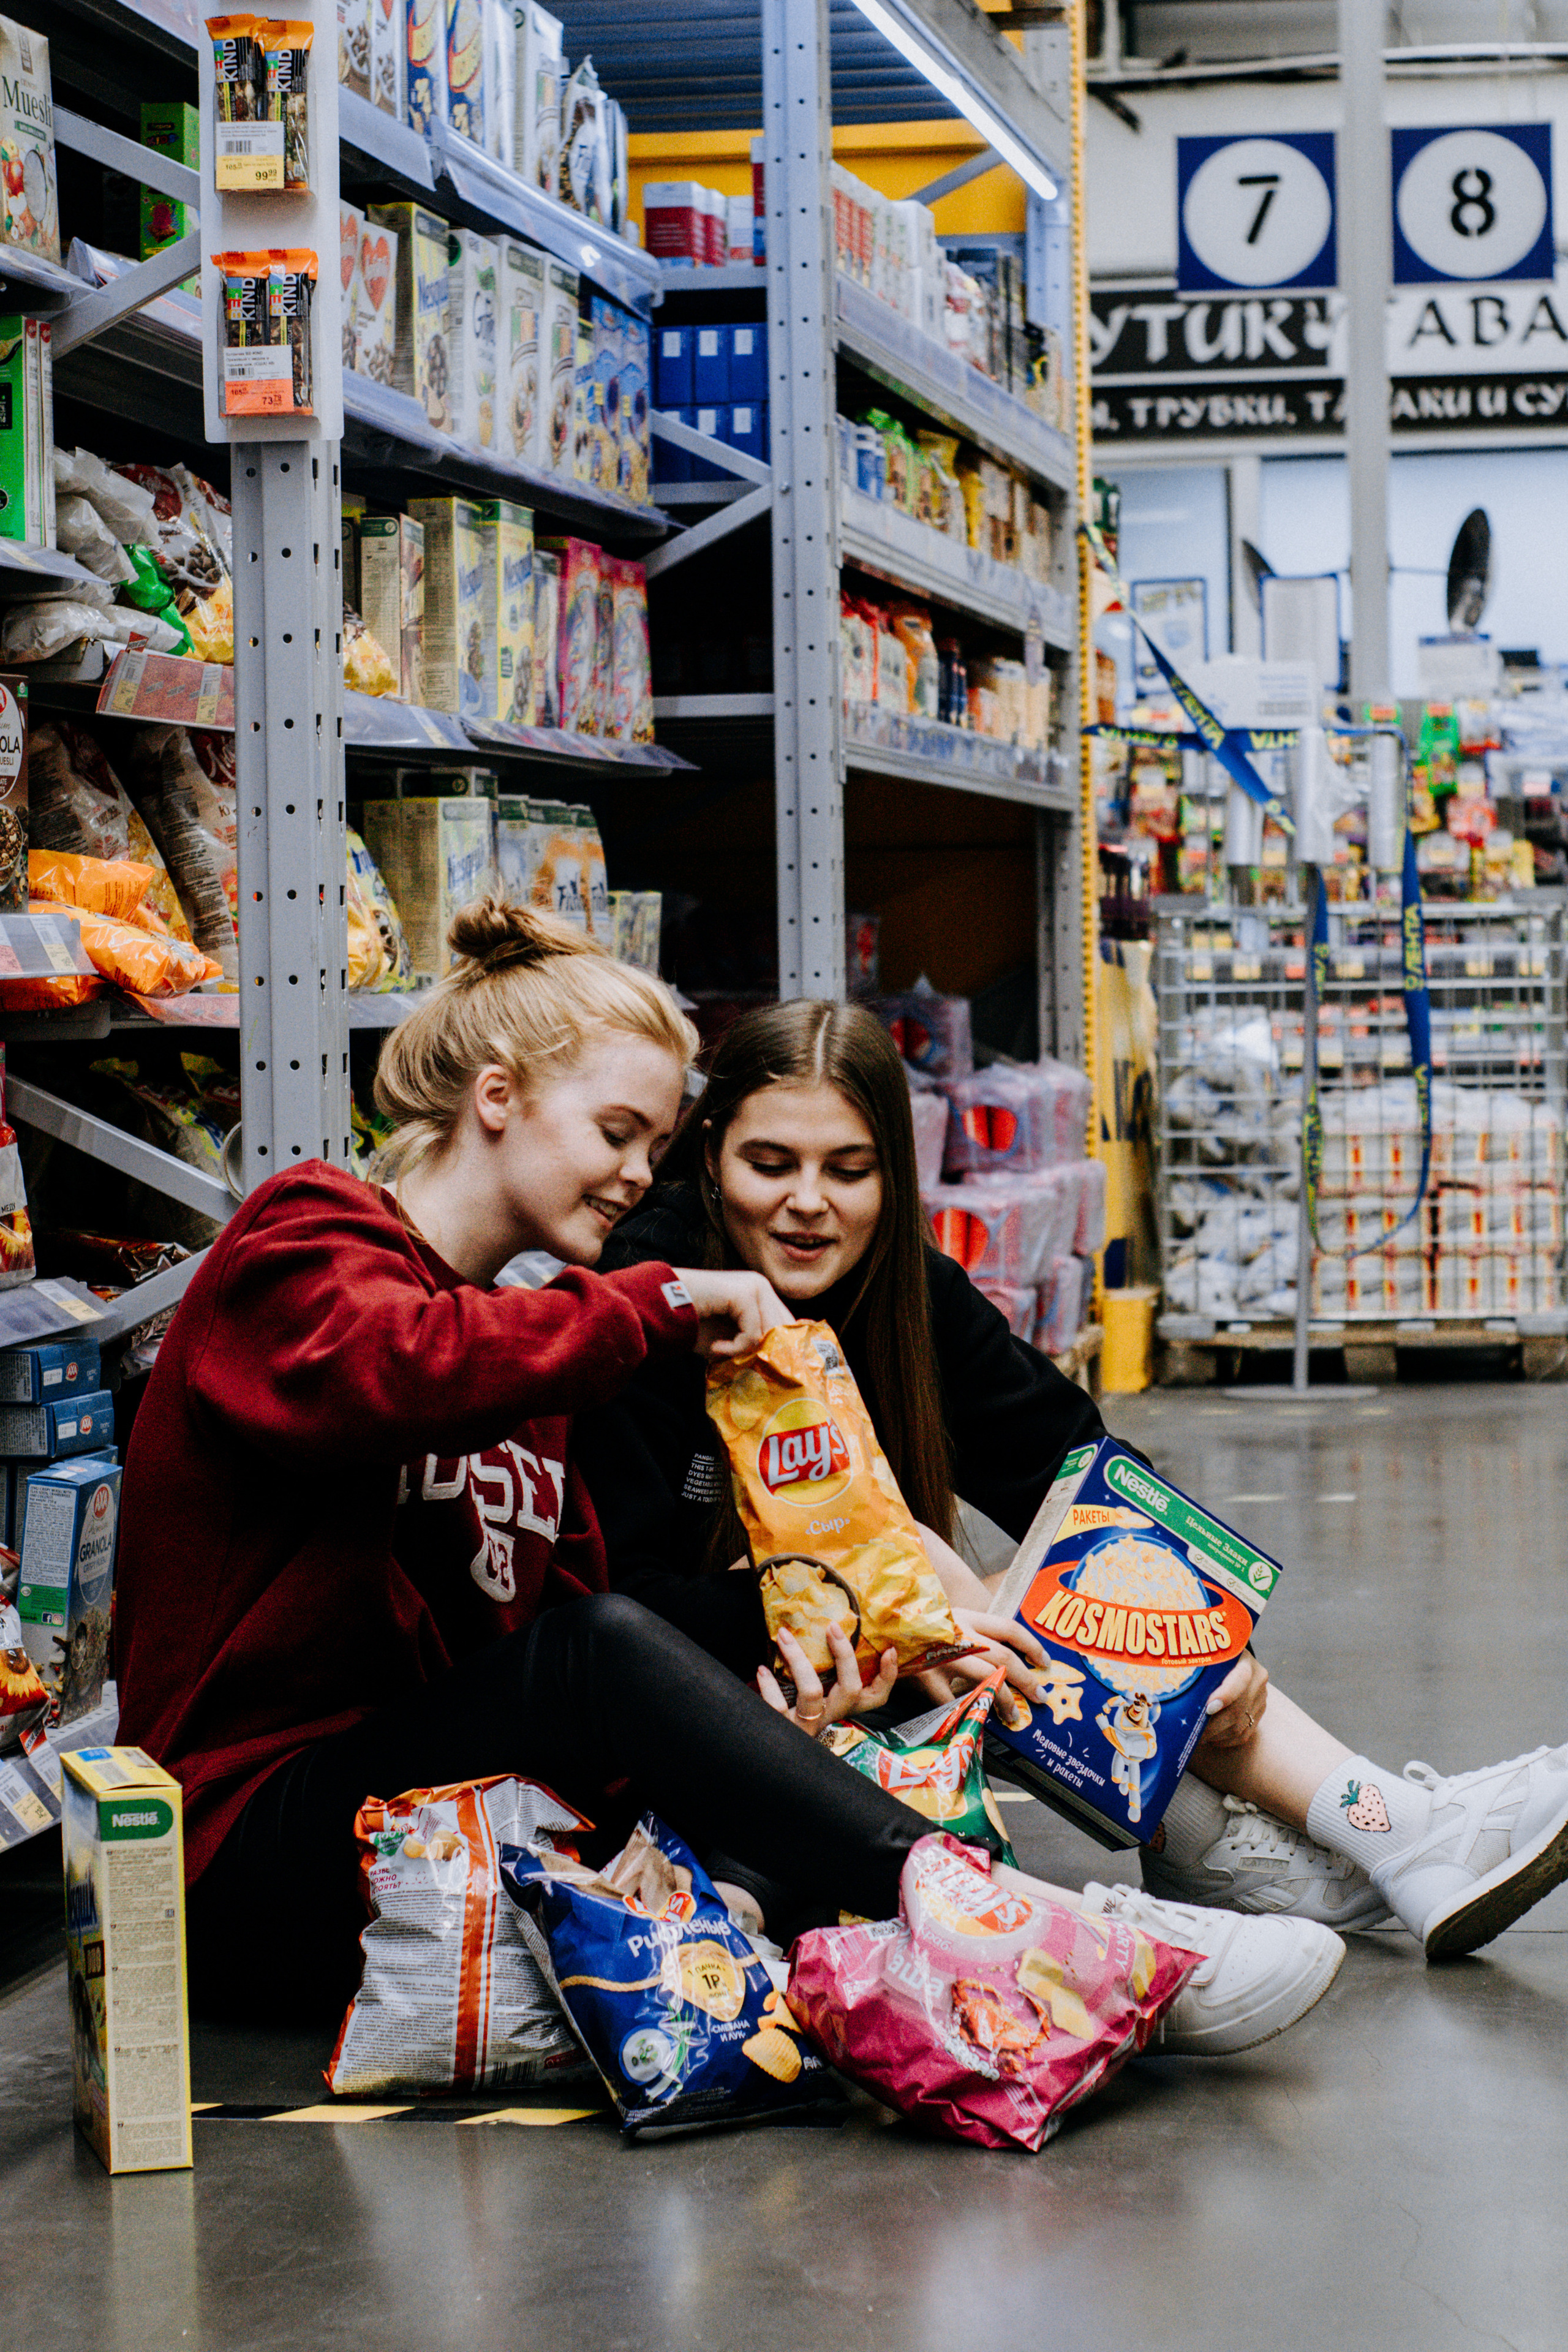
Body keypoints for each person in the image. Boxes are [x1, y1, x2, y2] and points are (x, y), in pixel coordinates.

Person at [113, 905, 1338, 2057]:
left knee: (768, 1763)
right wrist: (658, 1303)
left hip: (430, 1843)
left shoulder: (529, 1364)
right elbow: (389, 1373)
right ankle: (1036, 1934)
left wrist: (816, 1654)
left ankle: (1088, 1947)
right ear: (495, 1098)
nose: (641, 1178)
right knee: (603, 1651)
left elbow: (577, 1652)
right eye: (614, 1135)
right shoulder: (299, 1245)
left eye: (654, 1146)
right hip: (241, 1861)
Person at [580, 998, 1568, 1963]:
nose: (808, 1201)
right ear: (709, 1155)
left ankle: (1366, 1825)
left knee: (1087, 1570)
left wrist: (1210, 1631)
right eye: (770, 1163)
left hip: (886, 1690)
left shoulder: (905, 1290)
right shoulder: (651, 1295)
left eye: (850, 1169)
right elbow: (621, 1612)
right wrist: (896, 1603)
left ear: (895, 1173)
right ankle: (1291, 1841)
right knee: (932, 1567)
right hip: (706, 1704)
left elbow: (1081, 1469)